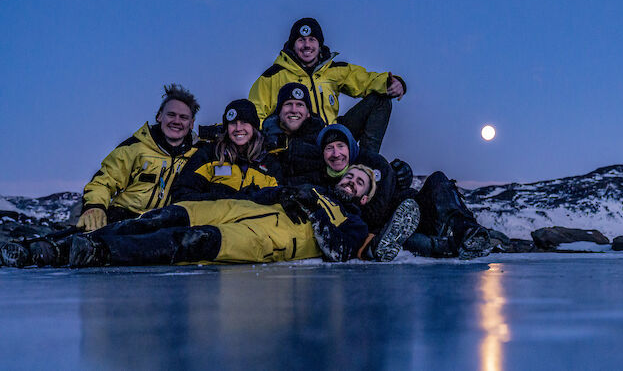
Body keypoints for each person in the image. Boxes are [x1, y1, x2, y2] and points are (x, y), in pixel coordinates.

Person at [1, 166, 376, 268]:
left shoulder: (353, 221)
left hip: (269, 239)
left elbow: (340, 249)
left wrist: (314, 210)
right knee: (153, 219)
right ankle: (43, 248)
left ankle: (91, 252)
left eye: (360, 183)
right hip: (244, 209)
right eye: (351, 176)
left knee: (188, 243)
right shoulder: (311, 185)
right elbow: (258, 193)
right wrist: (282, 191)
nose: (352, 182)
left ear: (364, 195)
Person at [248, 17, 406, 154]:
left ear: (319, 44)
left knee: (380, 99)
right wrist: (274, 136)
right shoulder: (273, 76)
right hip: (299, 142)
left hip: (333, 135)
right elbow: (254, 114)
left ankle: (365, 163)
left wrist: (391, 83)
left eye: (312, 39)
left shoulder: (333, 70)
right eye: (301, 40)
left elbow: (365, 81)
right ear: (292, 44)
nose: (306, 45)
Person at [78, 84, 200, 232]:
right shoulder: (135, 148)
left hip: (164, 227)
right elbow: (103, 181)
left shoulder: (199, 154)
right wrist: (95, 207)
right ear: (159, 116)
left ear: (192, 123)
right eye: (171, 114)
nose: (176, 121)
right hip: (122, 219)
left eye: (184, 117)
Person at [317, 124, 419, 262]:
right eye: (329, 148)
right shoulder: (321, 178)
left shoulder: (373, 163)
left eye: (341, 146)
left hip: (390, 216)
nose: (336, 153)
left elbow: (379, 208)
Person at [171, 99, 278, 202]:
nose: (238, 128)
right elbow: (182, 193)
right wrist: (226, 199)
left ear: (254, 127)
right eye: (233, 123)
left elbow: (278, 201)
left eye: (244, 122)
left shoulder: (269, 163)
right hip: (213, 219)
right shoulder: (210, 154)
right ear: (226, 128)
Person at [260, 83, 326, 186]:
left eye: (300, 105)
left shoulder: (322, 141)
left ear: (308, 113)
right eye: (288, 104)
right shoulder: (262, 140)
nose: (294, 110)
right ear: (279, 111)